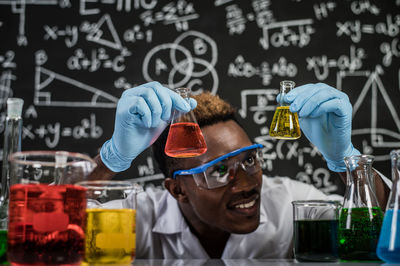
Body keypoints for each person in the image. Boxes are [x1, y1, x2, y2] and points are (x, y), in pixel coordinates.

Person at [92, 81, 391, 259]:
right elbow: (50, 233)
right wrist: (111, 160)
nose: (247, 183)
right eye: (220, 170)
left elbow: (389, 237)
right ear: (178, 189)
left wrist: (348, 162)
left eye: (249, 160)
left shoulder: (290, 205)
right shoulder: (139, 220)